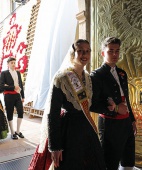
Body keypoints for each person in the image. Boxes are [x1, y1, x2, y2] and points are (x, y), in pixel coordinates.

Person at [29, 39, 106, 170]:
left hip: (87, 130)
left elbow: (89, 105)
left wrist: (109, 107)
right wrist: (55, 147)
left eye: (87, 51)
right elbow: (53, 114)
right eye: (80, 51)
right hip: (70, 132)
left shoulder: (88, 77)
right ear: (73, 53)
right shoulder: (62, 78)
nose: (84, 54)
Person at [90, 37, 137, 170]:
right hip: (110, 125)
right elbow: (93, 104)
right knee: (109, 162)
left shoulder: (122, 73)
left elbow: (126, 99)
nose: (115, 54)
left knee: (128, 160)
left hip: (126, 123)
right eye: (111, 51)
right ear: (103, 53)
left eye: (117, 51)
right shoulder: (96, 75)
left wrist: (132, 119)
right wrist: (116, 108)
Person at [0, 57, 25, 140]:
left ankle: (18, 131)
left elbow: (20, 85)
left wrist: (23, 96)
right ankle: (12, 132)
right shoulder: (4, 73)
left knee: (21, 112)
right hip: (8, 96)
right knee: (10, 113)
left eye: (14, 62)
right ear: (8, 64)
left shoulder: (18, 73)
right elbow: (1, 86)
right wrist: (13, 87)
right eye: (12, 63)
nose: (13, 64)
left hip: (18, 95)